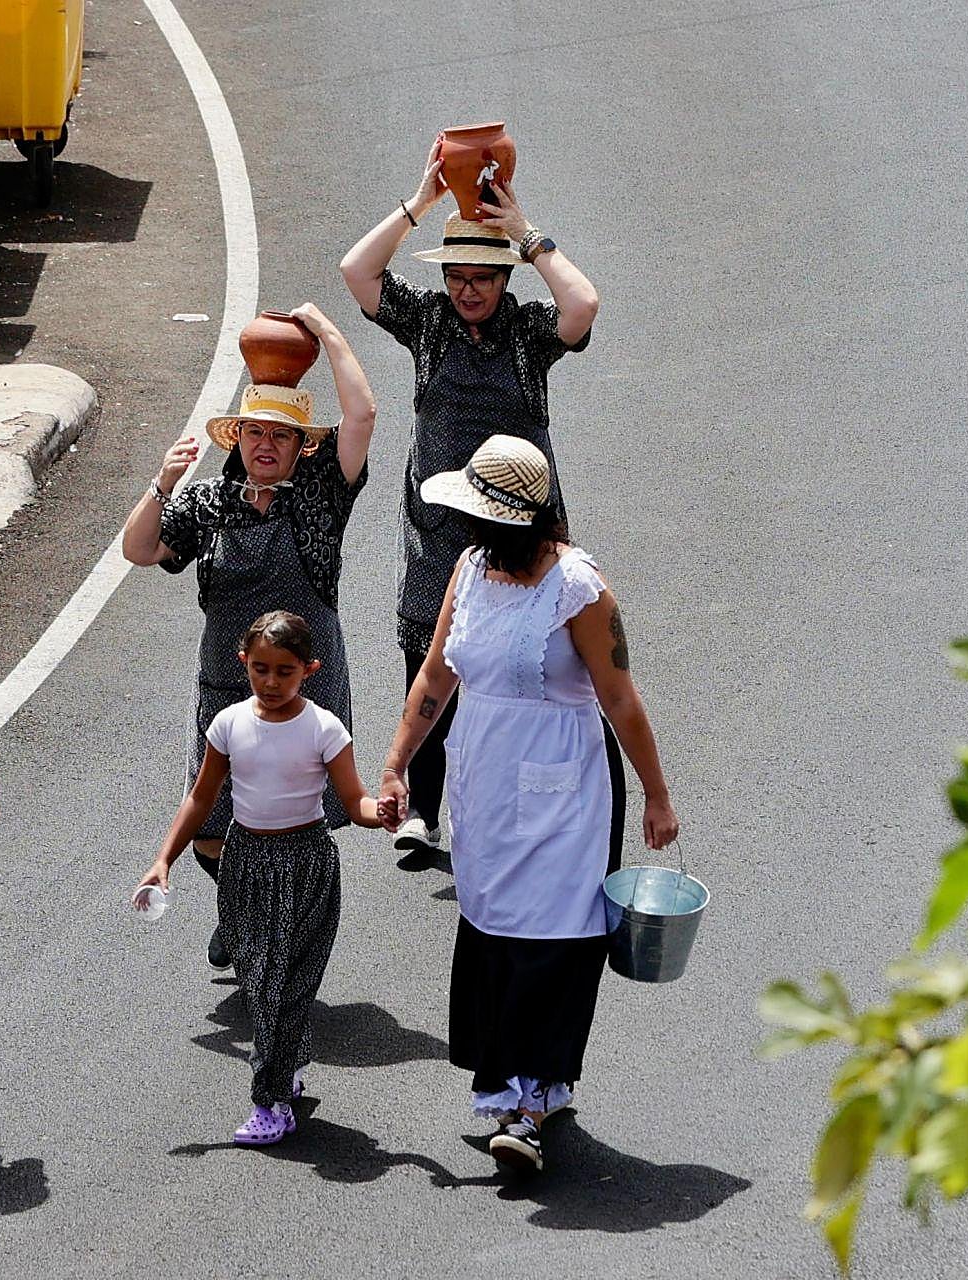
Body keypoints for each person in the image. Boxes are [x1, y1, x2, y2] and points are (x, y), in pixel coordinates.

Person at [376, 435, 680, 1175]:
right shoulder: (470, 570)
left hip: (565, 782)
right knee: (494, 921)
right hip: (485, 776)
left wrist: (656, 794)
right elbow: (436, 678)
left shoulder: (579, 588)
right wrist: (395, 767)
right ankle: (533, 1084)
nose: (467, 530)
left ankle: (525, 1101)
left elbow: (620, 700)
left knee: (557, 932)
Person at [341, 145, 617, 869]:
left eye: (482, 279)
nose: (467, 291)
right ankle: (423, 810)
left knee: (531, 656)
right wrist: (420, 202)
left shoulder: (528, 333)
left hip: (522, 517)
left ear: (504, 279)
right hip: (438, 521)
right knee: (426, 657)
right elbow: (357, 271)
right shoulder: (428, 323)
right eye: (457, 277)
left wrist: (530, 237)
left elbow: (582, 304)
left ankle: (535, 797)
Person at [120, 303, 375, 970]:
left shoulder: (321, 497)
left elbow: (364, 416)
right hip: (225, 689)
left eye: (281, 436)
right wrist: (162, 483)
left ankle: (276, 944)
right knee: (210, 832)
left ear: (301, 447)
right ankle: (239, 910)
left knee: (296, 826)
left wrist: (326, 332)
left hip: (307, 692)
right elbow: (139, 551)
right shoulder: (206, 503)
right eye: (255, 433)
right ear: (237, 440)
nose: (266, 445)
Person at [137, 611, 384, 1146]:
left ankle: (270, 1101)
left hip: (308, 866)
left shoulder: (324, 728)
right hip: (245, 865)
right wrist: (164, 861)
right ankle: (287, 1061)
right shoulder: (228, 725)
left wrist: (380, 812)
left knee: (290, 985)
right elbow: (202, 797)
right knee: (260, 984)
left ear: (309, 670)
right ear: (243, 664)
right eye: (261, 670)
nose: (271, 683)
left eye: (285, 672)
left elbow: (353, 800)